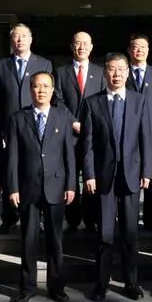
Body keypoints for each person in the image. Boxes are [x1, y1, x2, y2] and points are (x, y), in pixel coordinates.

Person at [80, 53, 152, 301]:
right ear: (104, 73)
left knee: (130, 233)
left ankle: (132, 282)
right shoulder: (92, 103)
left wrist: (147, 171)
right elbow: (87, 144)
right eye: (112, 69)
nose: (117, 74)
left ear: (128, 73)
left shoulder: (139, 101)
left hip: (131, 174)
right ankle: (101, 283)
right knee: (105, 233)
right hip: (104, 176)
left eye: (121, 69)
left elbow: (145, 139)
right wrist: (89, 174)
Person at [7, 72, 77, 302]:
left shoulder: (62, 116)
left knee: (55, 240)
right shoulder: (18, 118)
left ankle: (56, 287)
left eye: (46, 86)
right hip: (28, 186)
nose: (41, 90)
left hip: (56, 185)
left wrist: (71, 185)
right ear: (30, 90)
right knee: (28, 239)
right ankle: (27, 287)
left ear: (52, 90)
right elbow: (13, 156)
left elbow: (69, 154)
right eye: (37, 86)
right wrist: (13, 187)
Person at [0, 23, 53, 233]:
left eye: (24, 36)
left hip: (35, 125)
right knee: (10, 169)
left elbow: (50, 98)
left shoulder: (43, 63)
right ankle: (9, 217)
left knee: (36, 170)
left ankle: (40, 216)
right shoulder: (1, 65)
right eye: (16, 36)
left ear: (31, 39)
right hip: (9, 127)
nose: (20, 40)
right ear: (11, 40)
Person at [53, 31, 105, 232]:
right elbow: (58, 100)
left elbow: (102, 100)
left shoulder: (100, 73)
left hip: (94, 134)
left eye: (85, 43)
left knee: (92, 175)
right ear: (71, 46)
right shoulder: (61, 72)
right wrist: (73, 122)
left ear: (91, 47)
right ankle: (73, 219)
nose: (81, 47)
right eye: (77, 43)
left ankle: (92, 219)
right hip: (69, 134)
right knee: (71, 175)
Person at [126, 33, 152, 232]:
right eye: (135, 47)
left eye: (143, 47)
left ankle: (151, 218)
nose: (139, 50)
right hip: (128, 134)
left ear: (148, 51)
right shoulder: (122, 73)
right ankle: (130, 219)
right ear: (129, 50)